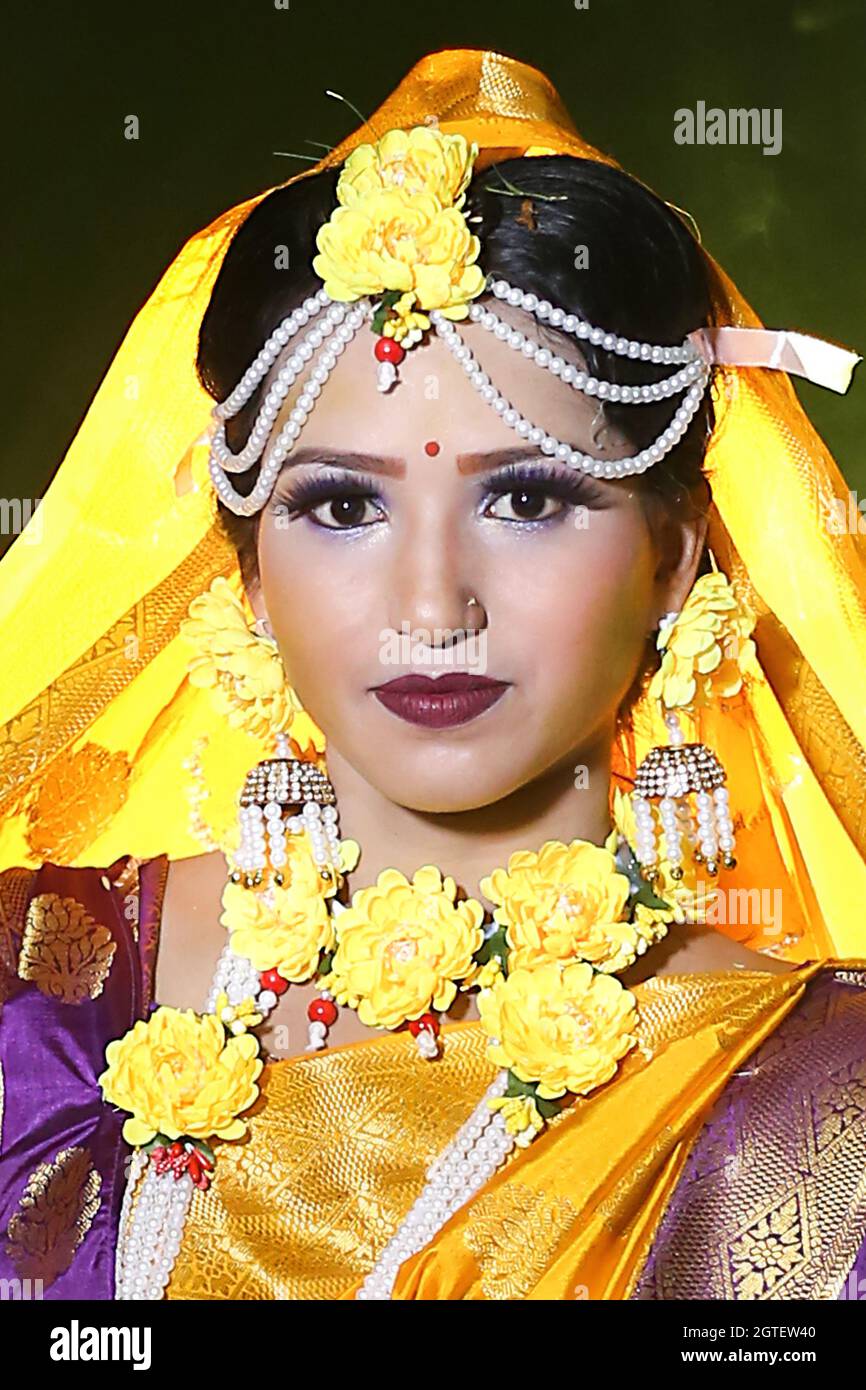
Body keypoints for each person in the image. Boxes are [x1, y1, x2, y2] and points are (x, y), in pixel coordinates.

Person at [1, 48, 865, 1302]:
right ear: (245, 573)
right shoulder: (39, 997)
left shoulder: (821, 1107)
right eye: (342, 505)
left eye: (524, 497)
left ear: (674, 559)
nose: (428, 605)